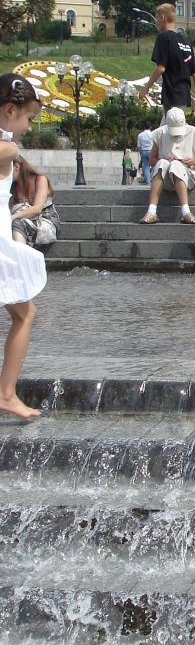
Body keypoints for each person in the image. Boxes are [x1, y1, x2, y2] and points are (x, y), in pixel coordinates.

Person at [0, 74, 47, 418]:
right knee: (25, 314)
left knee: (24, 313)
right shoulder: (9, 149)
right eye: (28, 119)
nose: (29, 128)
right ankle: (5, 394)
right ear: (9, 110)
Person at [138, 107, 195, 225]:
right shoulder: (160, 133)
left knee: (176, 165)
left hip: (188, 177)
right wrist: (164, 159)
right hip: (166, 177)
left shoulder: (194, 133)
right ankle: (151, 211)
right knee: (162, 163)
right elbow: (152, 160)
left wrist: (192, 161)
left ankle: (186, 212)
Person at [138, 4, 195, 116]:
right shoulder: (186, 42)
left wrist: (146, 88)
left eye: (157, 19)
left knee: (171, 125)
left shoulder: (163, 37)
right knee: (170, 124)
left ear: (163, 17)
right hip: (184, 95)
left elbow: (161, 68)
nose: (156, 23)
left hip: (171, 93)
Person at [10, 156, 59, 248]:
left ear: (16, 167)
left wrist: (12, 217)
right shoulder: (11, 186)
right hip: (21, 222)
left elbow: (37, 209)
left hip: (44, 222)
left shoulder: (40, 179)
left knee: (16, 223)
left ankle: (20, 254)